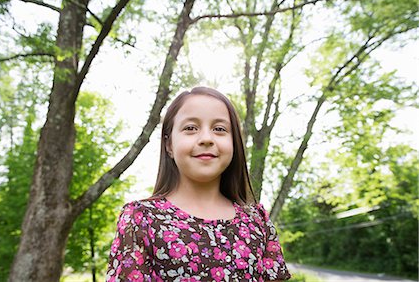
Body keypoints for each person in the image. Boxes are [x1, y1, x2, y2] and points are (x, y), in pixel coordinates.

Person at [106, 86, 291, 281]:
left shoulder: (257, 221)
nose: (206, 139)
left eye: (219, 129)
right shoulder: (141, 219)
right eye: (190, 128)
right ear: (169, 144)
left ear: (234, 143)